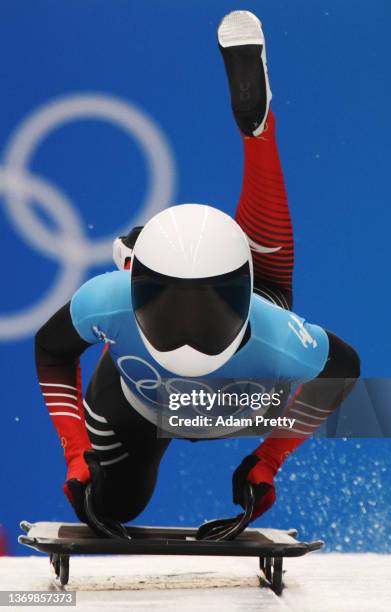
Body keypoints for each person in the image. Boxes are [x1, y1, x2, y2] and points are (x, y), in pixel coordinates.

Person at [35, 11, 360, 525]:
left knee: (267, 297)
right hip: (166, 397)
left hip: (202, 378)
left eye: (209, 307)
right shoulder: (110, 299)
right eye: (170, 306)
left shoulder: (112, 300)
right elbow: (344, 369)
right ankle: (259, 135)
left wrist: (267, 460)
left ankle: (258, 138)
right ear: (136, 287)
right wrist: (265, 462)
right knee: (112, 505)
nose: (189, 335)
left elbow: (52, 351)